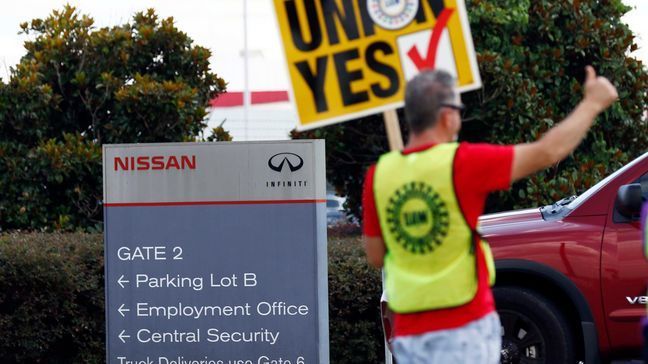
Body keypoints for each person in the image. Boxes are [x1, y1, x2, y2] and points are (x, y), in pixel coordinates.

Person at [362, 66, 617, 363]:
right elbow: (548, 152)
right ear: (447, 115)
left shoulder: (379, 175)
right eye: (458, 107)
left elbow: (376, 255)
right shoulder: (463, 163)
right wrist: (592, 104)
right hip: (463, 325)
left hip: (409, 331)